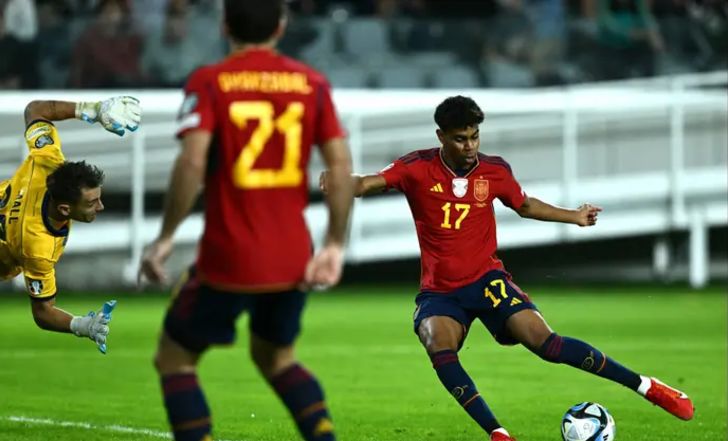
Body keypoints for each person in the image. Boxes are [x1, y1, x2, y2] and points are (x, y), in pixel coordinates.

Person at [320, 96, 694, 441]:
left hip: (487, 280)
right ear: (441, 137)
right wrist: (342, 181)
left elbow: (524, 205)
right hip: (441, 292)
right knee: (437, 343)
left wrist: (575, 217)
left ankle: (647, 386)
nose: (470, 146)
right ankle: (499, 434)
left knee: (546, 343)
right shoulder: (417, 167)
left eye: (474, 137)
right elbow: (368, 183)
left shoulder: (494, 171)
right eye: (460, 139)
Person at [138, 1, 354, 440]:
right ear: (281, 27)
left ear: (224, 26)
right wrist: (335, 243)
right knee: (277, 359)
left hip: (229, 256)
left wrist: (165, 236)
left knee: (175, 359)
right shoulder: (311, 83)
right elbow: (340, 165)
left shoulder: (210, 81)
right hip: (292, 255)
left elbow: (192, 162)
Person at [0, 95, 141, 352]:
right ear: (65, 209)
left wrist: (93, 110)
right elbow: (42, 312)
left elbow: (35, 110)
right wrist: (83, 326)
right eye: (92, 203)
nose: (101, 207)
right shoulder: (37, 246)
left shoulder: (48, 159)